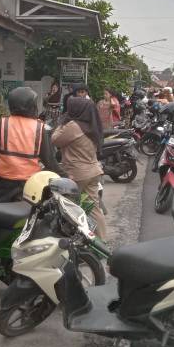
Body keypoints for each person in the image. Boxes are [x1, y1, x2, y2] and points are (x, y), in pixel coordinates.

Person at [0, 87, 62, 202]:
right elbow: (49, 161)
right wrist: (65, 177)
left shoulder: (2, 124)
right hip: (30, 185)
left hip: (4, 184)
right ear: (29, 106)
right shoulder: (39, 128)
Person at [51, 97, 107, 240]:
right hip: (94, 172)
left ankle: (70, 244)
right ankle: (102, 244)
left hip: (77, 174)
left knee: (67, 209)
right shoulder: (92, 126)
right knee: (94, 209)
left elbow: (55, 139)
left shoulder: (74, 126)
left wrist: (62, 123)